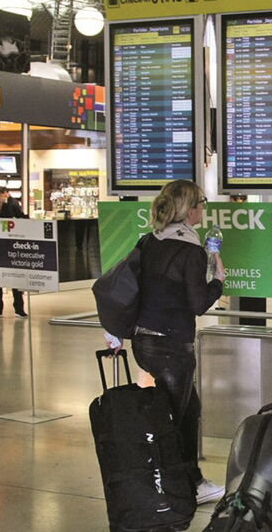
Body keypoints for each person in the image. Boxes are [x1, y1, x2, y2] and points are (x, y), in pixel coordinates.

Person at [106, 180, 227, 504]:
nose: (204, 207)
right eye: (201, 202)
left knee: (188, 410)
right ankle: (184, 485)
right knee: (176, 418)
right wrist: (218, 280)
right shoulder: (189, 250)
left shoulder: (149, 241)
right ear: (189, 210)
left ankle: (186, 480)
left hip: (144, 343)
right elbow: (198, 304)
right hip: (172, 348)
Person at [0, 189, 28, 318]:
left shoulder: (10, 207)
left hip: (13, 247)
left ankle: (19, 309)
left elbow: (22, 218)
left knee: (16, 279)